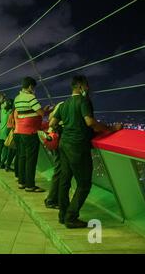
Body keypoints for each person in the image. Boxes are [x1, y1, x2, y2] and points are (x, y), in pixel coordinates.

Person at [49, 75, 122, 228]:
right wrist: (111, 128)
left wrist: (66, 129)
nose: (88, 88)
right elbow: (90, 122)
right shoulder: (83, 101)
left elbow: (52, 123)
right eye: (86, 85)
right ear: (80, 86)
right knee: (84, 184)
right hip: (77, 147)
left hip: (64, 145)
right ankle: (71, 217)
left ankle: (62, 215)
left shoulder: (64, 104)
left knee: (64, 181)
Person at [14, 77, 51, 193]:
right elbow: (40, 113)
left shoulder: (17, 98)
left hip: (19, 131)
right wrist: (46, 110)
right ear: (30, 86)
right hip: (30, 132)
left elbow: (25, 113)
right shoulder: (30, 97)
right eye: (33, 87)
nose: (34, 90)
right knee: (31, 159)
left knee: (22, 157)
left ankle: (22, 182)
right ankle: (30, 185)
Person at [43, 101, 64, 209]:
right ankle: (51, 199)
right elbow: (52, 123)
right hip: (58, 140)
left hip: (51, 139)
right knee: (59, 170)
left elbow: (50, 120)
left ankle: (53, 198)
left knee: (58, 169)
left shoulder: (59, 104)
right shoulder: (64, 106)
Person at [0, 99, 11, 169]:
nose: (3, 104)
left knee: (0, 148)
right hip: (6, 133)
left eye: (4, 103)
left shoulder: (1, 111)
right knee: (8, 149)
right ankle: (2, 163)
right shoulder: (10, 112)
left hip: (0, 131)